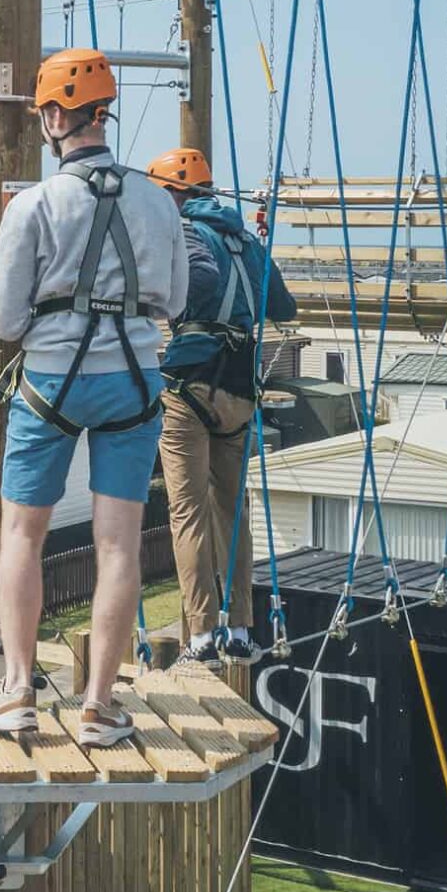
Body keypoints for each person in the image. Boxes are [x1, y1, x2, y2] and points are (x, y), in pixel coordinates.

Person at [0, 50, 189, 747]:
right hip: (133, 383)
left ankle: (18, 690)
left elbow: (2, 321)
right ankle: (98, 706)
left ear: (55, 117)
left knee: (23, 534)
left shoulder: (34, 205)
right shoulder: (157, 199)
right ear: (103, 114)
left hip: (52, 383)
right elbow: (173, 300)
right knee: (118, 545)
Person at [147, 147, 297, 663]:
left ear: (175, 193)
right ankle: (240, 628)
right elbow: (284, 307)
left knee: (187, 510)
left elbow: (197, 282)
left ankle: (202, 633)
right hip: (240, 391)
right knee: (233, 510)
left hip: (190, 386)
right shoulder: (245, 242)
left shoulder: (185, 232)